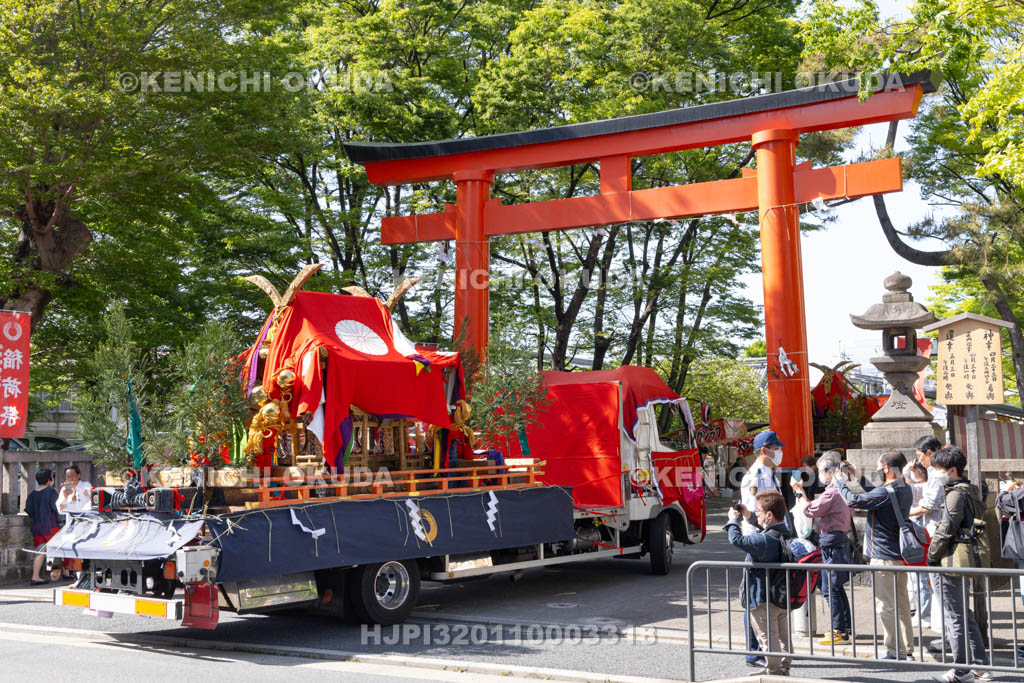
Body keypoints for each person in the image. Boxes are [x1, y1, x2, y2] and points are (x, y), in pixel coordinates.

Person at [834, 450, 915, 660]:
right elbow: (879, 495)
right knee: (902, 604)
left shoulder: (887, 493)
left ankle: (894, 650)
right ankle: (907, 647)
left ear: (887, 469)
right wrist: (859, 477)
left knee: (885, 606)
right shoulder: (904, 488)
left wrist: (840, 482)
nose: (879, 471)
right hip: (899, 555)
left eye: (880, 468)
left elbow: (854, 501)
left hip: (883, 556)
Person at [927, 446, 988, 683]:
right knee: (964, 615)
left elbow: (946, 528)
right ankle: (980, 666)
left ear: (952, 470)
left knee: (955, 616)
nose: (935, 473)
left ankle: (960, 670)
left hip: (950, 559)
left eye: (938, 469)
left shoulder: (955, 494)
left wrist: (932, 555)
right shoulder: (971, 490)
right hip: (966, 558)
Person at [726, 490, 792, 676]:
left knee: (767, 635)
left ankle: (773, 671)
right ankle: (784, 667)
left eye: (759, 511)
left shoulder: (764, 540)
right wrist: (747, 515)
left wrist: (733, 520)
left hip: (762, 597)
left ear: (769, 514)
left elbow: (736, 539)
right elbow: (766, 528)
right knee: (783, 635)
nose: (757, 514)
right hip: (780, 594)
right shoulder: (785, 532)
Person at [793, 450, 853, 646]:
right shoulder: (843, 488)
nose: (819, 475)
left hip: (832, 540)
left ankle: (839, 630)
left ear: (830, 470)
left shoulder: (833, 491)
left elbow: (811, 510)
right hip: (839, 538)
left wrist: (799, 493)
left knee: (830, 587)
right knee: (836, 586)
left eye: (820, 471)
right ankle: (844, 628)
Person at [738, 429, 785, 667]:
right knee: (755, 598)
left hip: (771, 539)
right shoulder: (753, 477)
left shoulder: (769, 472)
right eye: (776, 449)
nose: (780, 453)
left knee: (766, 597)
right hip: (759, 541)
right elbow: (750, 512)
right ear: (765, 450)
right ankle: (753, 653)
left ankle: (763, 650)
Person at [911, 435, 946, 634]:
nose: (919, 461)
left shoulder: (936, 474)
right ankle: (941, 628)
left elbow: (929, 505)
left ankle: (945, 632)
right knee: (934, 582)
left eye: (920, 456)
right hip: (933, 529)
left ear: (930, 453)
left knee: (938, 582)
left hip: (936, 531)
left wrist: (908, 513)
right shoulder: (937, 472)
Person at [905, 461, 932, 619]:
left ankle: (923, 613)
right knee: (918, 578)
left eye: (915, 471)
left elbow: (903, 477)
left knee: (919, 578)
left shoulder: (920, 487)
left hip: (919, 530)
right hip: (921, 529)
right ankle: (922, 611)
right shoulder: (927, 485)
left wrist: (908, 467)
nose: (912, 473)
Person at [23, 469, 59, 585]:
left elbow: (28, 509)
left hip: (37, 526)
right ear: (49, 480)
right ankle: (56, 574)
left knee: (40, 552)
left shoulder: (32, 494)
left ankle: (35, 577)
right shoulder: (51, 491)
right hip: (51, 525)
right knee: (57, 549)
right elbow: (56, 508)